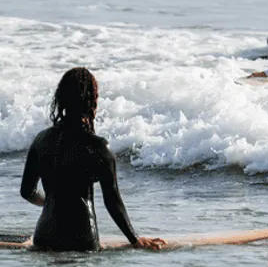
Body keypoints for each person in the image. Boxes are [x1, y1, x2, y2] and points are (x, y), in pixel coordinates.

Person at [20, 68, 165, 251]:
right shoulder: (98, 147)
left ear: (61, 97)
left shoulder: (41, 140)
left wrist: (50, 201)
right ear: (92, 100)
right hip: (82, 241)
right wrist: (135, 239)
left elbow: (27, 192)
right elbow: (112, 201)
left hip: (44, 238)